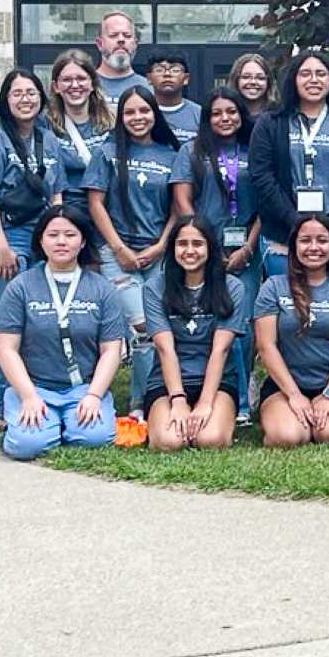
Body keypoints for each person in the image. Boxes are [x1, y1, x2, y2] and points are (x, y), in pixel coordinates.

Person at [0, 69, 67, 430]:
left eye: (32, 93)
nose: (26, 99)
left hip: (37, 237)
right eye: (17, 93)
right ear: (5, 100)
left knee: (34, 322)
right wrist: (1, 246)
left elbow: (56, 194)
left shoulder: (48, 137)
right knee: (0, 326)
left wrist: (58, 237)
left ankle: (27, 394)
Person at [0, 206, 125, 460]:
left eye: (70, 235)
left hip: (82, 389)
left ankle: (63, 423)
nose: (61, 242)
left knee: (95, 439)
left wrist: (94, 396)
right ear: (40, 240)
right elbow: (6, 348)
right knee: (26, 446)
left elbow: (111, 350)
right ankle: (28, 414)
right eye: (53, 235)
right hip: (37, 387)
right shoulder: (20, 287)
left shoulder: (102, 288)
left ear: (83, 240)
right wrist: (29, 396)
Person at [84, 86, 180, 420]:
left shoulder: (171, 154)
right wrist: (119, 248)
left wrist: (161, 245)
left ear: (155, 114)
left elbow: (178, 210)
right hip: (116, 254)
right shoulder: (106, 153)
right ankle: (139, 405)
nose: (138, 118)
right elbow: (95, 204)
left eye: (144, 111)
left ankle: (158, 397)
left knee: (159, 328)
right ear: (120, 117)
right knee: (141, 328)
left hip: (159, 253)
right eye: (130, 113)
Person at [170, 87, 260, 422]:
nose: (226, 118)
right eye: (218, 113)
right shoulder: (192, 151)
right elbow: (182, 201)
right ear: (207, 118)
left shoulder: (254, 149)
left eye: (232, 112)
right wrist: (205, 247)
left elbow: (264, 203)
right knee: (210, 324)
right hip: (202, 251)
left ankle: (242, 392)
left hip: (245, 253)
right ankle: (209, 387)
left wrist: (248, 246)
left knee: (244, 326)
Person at [248, 49, 329, 274]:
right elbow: (262, 176)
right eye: (305, 74)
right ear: (293, 80)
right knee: (286, 305)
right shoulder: (270, 122)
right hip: (282, 236)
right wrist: (293, 220)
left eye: (321, 74)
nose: (313, 80)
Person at [253, 213, 329, 447]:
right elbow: (266, 346)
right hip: (284, 387)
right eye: (305, 240)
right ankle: (279, 418)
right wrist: (294, 396)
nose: (313, 247)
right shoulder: (273, 287)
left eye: (322, 240)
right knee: (289, 437)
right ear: (294, 245)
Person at [143, 215, 245, 452]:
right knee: (169, 442)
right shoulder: (154, 288)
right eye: (182, 244)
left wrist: (206, 403)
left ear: (210, 247)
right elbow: (165, 349)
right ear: (172, 249)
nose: (189, 251)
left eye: (198, 244)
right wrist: (178, 400)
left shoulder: (233, 287)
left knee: (210, 440)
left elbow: (221, 350)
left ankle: (219, 415)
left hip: (217, 383)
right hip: (167, 383)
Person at [47, 50, 116, 221]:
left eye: (81, 78)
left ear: (92, 83)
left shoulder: (114, 122)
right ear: (56, 86)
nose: (75, 85)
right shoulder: (44, 126)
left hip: (109, 216)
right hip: (66, 217)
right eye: (67, 80)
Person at [94, 11, 149, 106]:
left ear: (135, 44)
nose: (121, 40)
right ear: (99, 44)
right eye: (113, 35)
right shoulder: (83, 86)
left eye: (127, 36)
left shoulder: (149, 88)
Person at [147, 50, 201, 146]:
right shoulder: (141, 112)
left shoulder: (199, 114)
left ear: (186, 78)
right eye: (159, 70)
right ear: (149, 78)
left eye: (175, 70)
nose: (167, 74)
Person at [229, 52, 276, 118]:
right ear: (236, 80)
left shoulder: (279, 115)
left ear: (268, 81)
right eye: (246, 77)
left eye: (260, 78)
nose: (253, 82)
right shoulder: (227, 116)